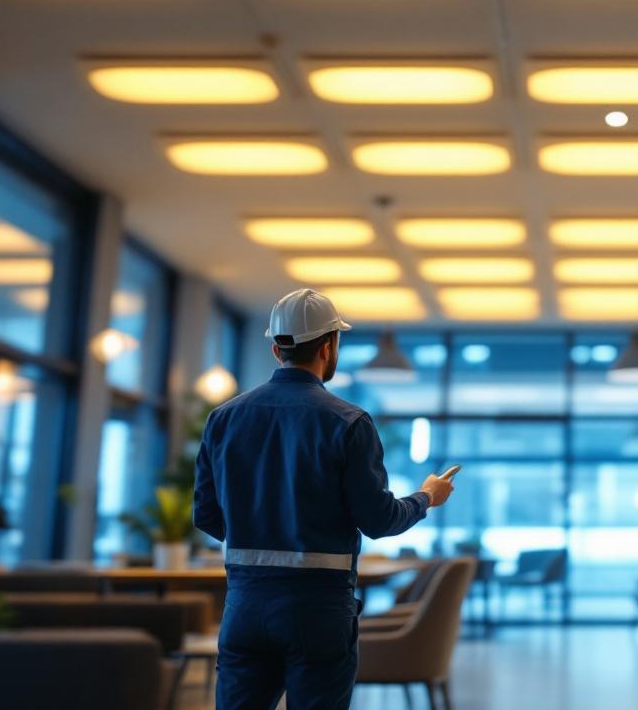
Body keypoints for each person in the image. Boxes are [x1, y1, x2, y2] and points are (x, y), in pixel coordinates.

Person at [193, 288, 455, 710]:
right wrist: (426, 497)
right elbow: (378, 520)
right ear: (329, 346)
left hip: (244, 604)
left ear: (276, 348)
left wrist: (260, 532)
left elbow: (206, 514)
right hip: (317, 610)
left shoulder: (223, 418)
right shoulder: (348, 422)